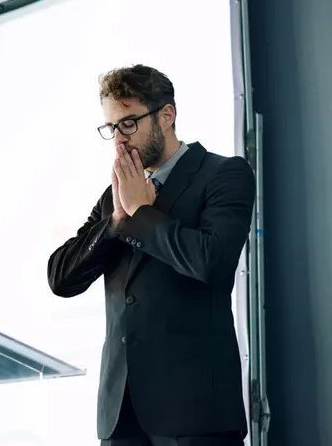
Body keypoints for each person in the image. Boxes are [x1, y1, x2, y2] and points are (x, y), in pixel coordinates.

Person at [47, 64, 255, 446]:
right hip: (121, 416)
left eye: (128, 123)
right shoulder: (117, 196)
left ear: (166, 115)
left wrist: (142, 216)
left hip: (196, 414)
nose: (118, 141)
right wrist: (115, 221)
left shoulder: (224, 174)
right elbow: (61, 279)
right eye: (111, 128)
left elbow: (211, 262)